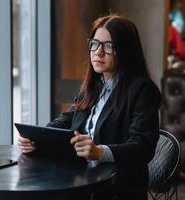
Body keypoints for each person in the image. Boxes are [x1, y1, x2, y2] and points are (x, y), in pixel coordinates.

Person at [17, 14, 161, 200]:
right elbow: (69, 117)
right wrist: (38, 137)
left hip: (115, 188)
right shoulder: (95, 84)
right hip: (82, 180)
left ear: (125, 50)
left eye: (108, 46)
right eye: (94, 43)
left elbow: (143, 147)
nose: (98, 52)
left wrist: (100, 152)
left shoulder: (142, 90)